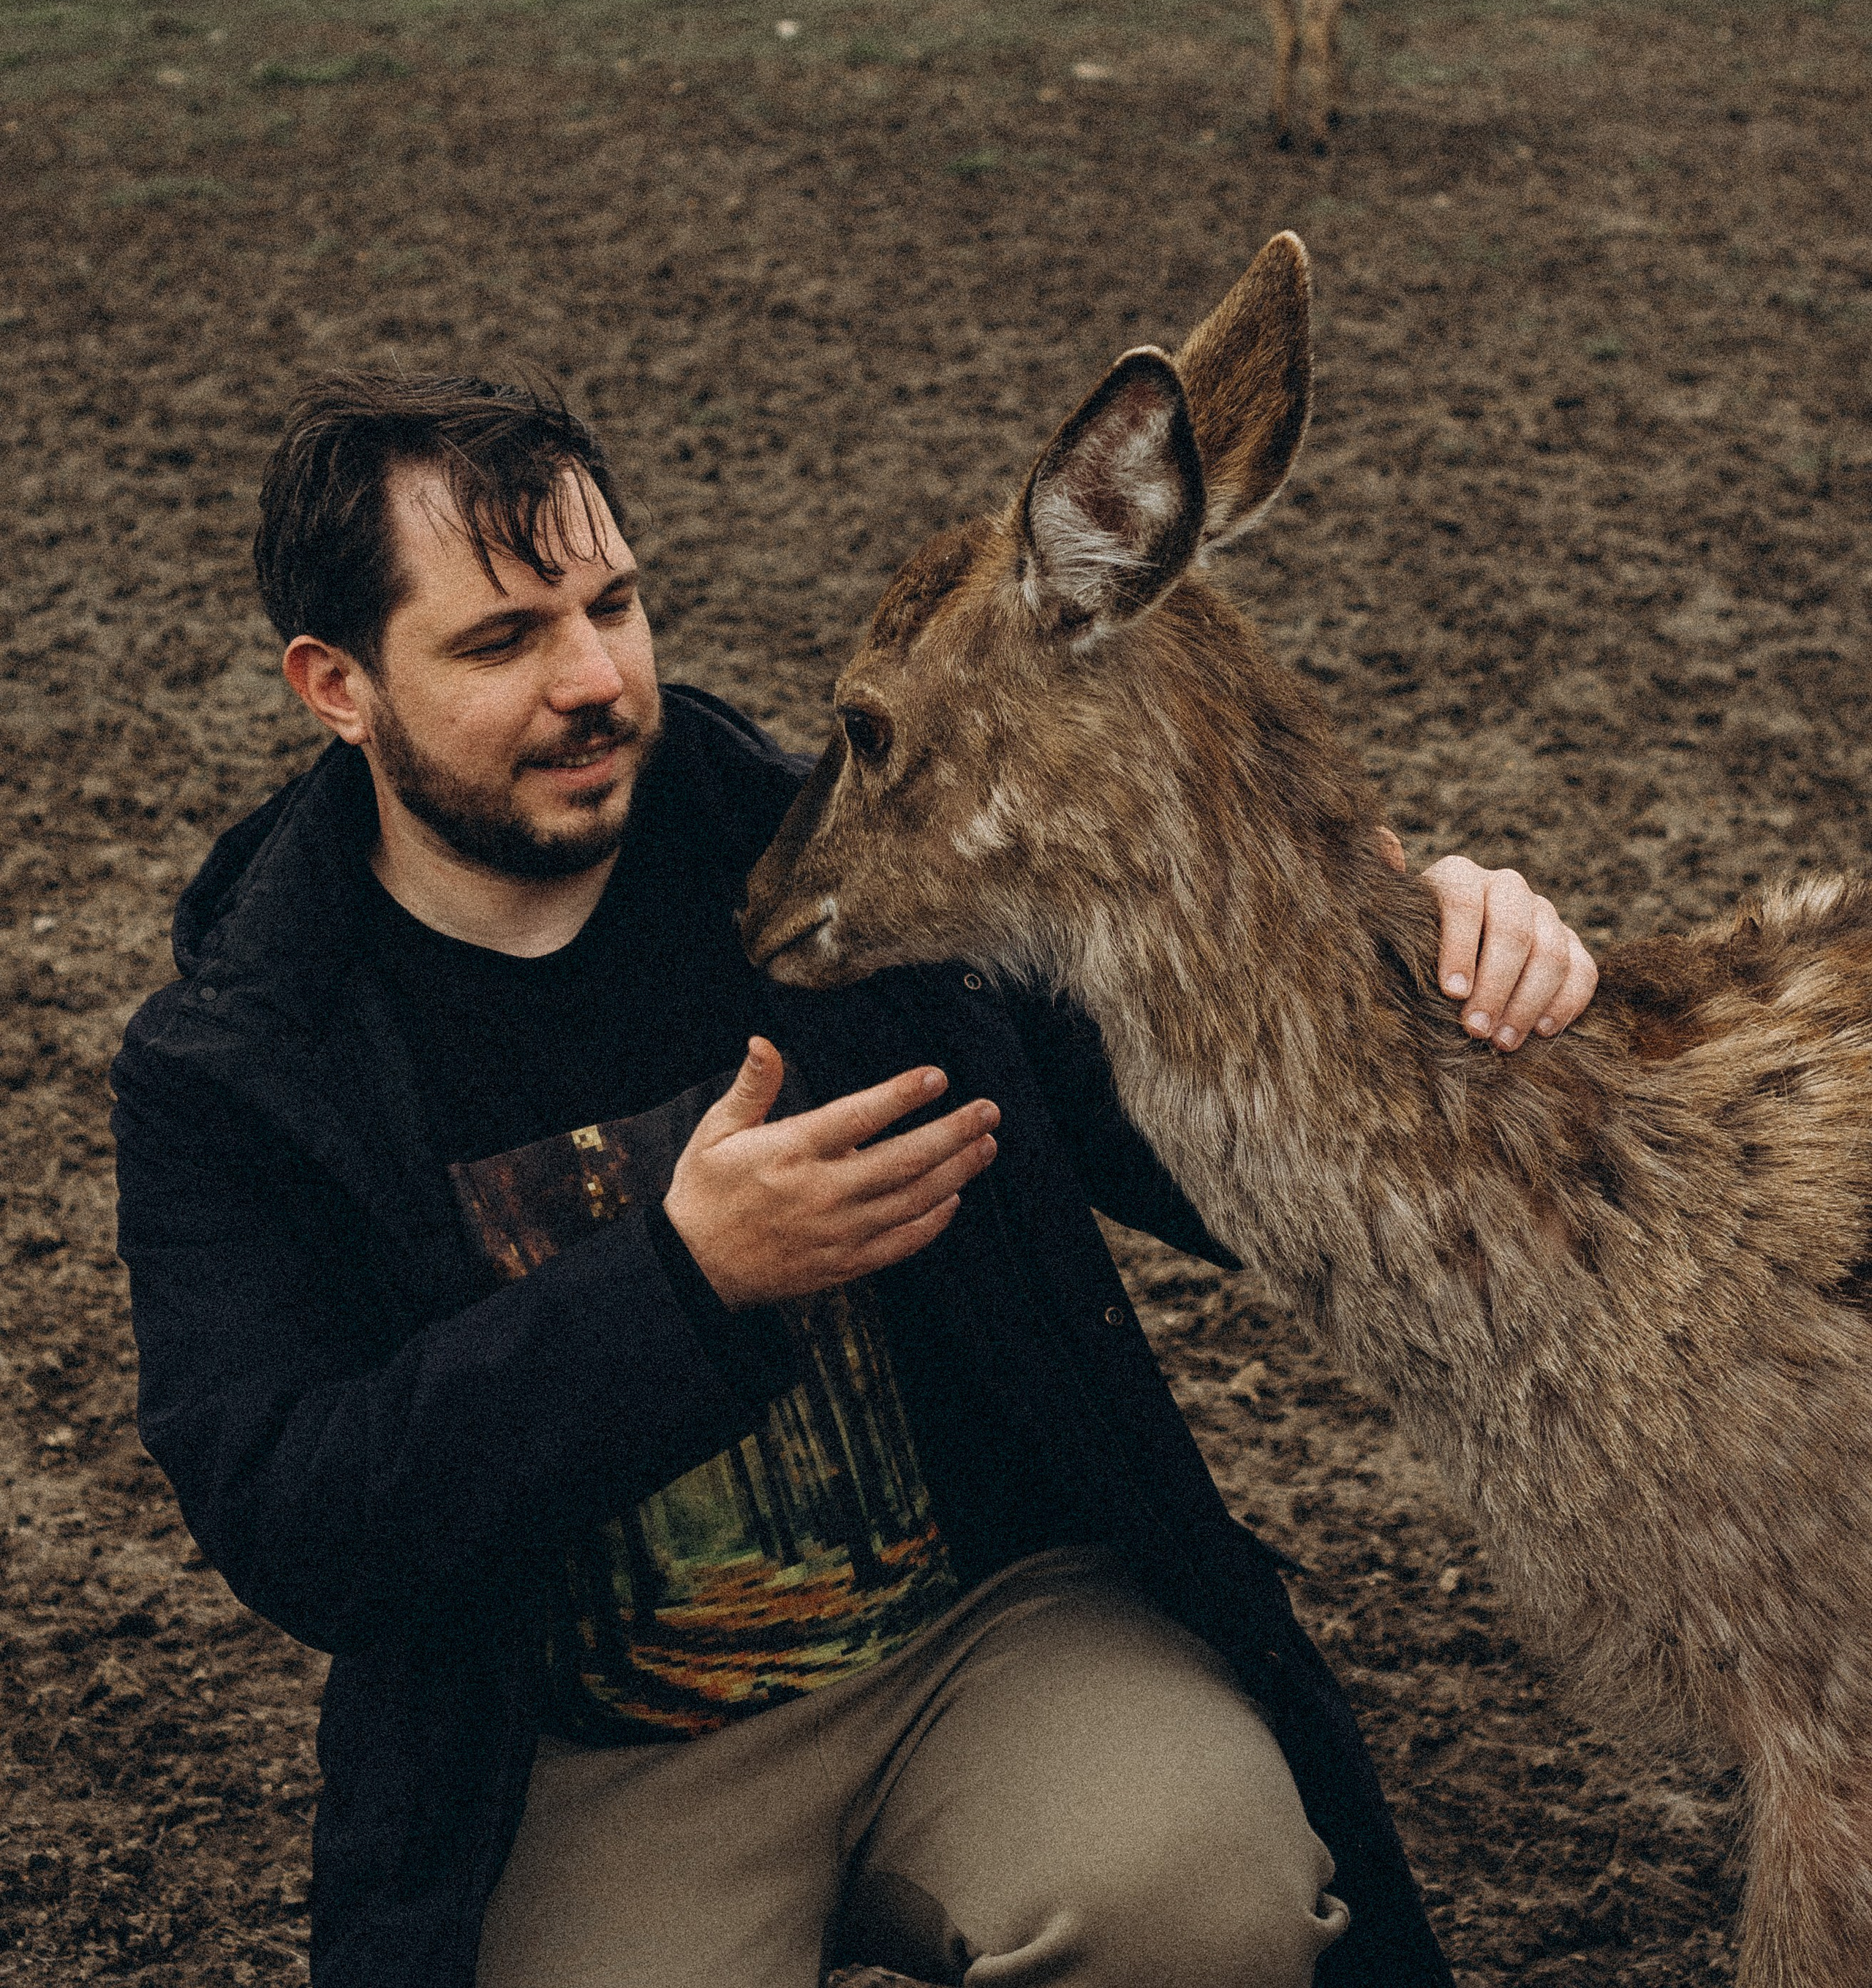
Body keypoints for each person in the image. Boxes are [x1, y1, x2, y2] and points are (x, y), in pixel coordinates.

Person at [112, 376, 1599, 1988]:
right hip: (592, 1744)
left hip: (988, 1642)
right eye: (501, 643)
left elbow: (1223, 1141)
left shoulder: (863, 879)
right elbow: (296, 1514)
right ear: (337, 687)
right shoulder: (238, 1065)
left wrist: (1431, 971)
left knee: (1204, 1908)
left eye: (612, 604)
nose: (596, 679)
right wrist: (681, 1290)